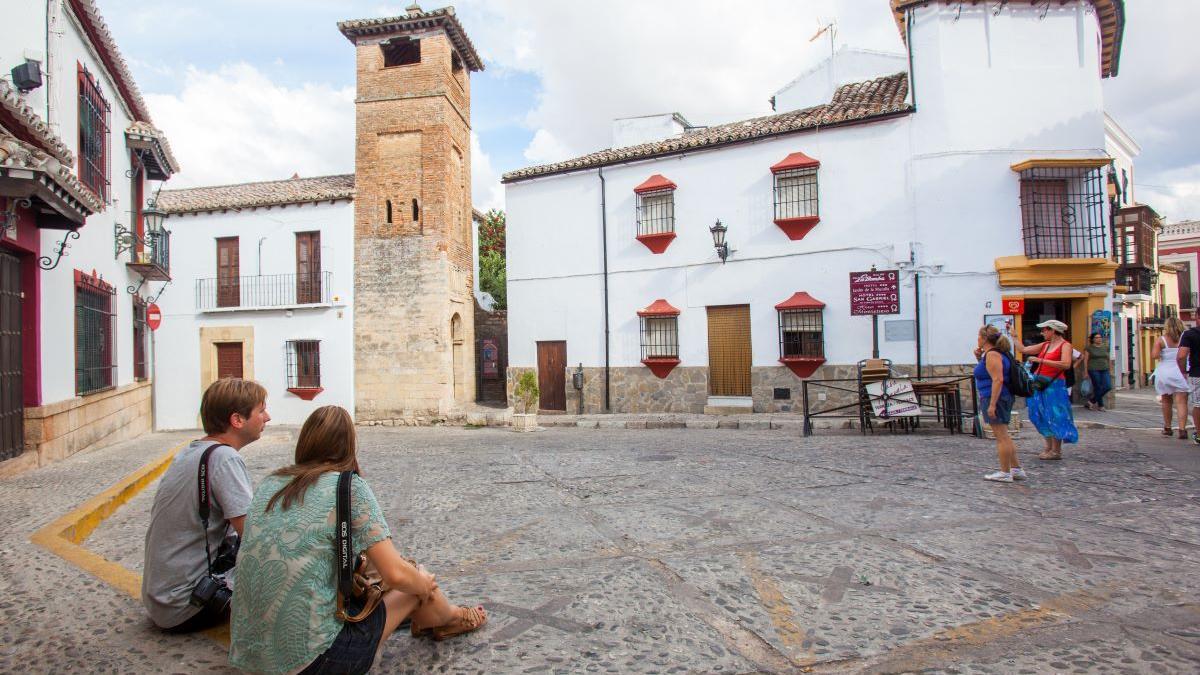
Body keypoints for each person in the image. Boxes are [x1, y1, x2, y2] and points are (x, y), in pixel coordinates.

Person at [230, 406, 486, 674]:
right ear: (349, 445)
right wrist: (424, 584)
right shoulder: (347, 486)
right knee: (415, 578)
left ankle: (438, 618)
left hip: (249, 657)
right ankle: (451, 618)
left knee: (382, 571)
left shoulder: (272, 483)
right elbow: (396, 574)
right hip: (313, 663)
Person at [142, 378, 270, 632]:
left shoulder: (192, 452)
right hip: (189, 603)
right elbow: (254, 535)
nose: (267, 417)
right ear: (237, 420)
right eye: (261, 410)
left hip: (161, 600)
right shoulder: (225, 458)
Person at [973, 326, 1025, 483]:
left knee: (1001, 436)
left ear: (984, 339)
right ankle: (1016, 469)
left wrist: (992, 404)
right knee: (1005, 435)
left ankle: (1005, 472)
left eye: (979, 336)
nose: (977, 339)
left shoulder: (992, 354)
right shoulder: (997, 353)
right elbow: (989, 373)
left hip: (995, 397)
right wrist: (979, 358)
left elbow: (998, 379)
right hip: (1002, 396)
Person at [1021, 319, 1078, 460]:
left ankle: (1056, 450)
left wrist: (1041, 360)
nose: (1042, 333)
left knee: (1055, 415)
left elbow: (1066, 364)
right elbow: (1023, 350)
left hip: (1055, 386)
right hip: (1040, 383)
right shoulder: (1045, 345)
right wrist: (1014, 336)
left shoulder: (1065, 345)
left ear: (1053, 330)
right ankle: (1048, 446)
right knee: (1038, 414)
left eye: (1044, 330)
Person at [1151, 319, 1189, 438]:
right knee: (1182, 402)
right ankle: (1182, 430)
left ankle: (1168, 428)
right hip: (1181, 371)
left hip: (1165, 372)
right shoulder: (1185, 338)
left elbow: (1154, 356)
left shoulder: (1161, 340)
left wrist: (1164, 353)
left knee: (1166, 401)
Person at [1176, 319, 1200, 444]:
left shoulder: (1189, 334)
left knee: (1198, 404)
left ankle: (1199, 435)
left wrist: (1183, 371)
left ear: (1197, 317)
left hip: (1197, 374)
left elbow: (1181, 356)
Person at [1081, 332, 1116, 413]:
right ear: (1093, 339)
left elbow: (1108, 358)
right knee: (1098, 387)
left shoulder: (1105, 347)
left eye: (1100, 337)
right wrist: (1085, 371)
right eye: (1096, 337)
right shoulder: (1089, 348)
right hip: (1093, 369)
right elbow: (1085, 360)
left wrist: (1110, 368)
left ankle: (1091, 401)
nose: (1099, 339)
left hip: (1105, 369)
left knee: (1108, 386)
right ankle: (1101, 405)